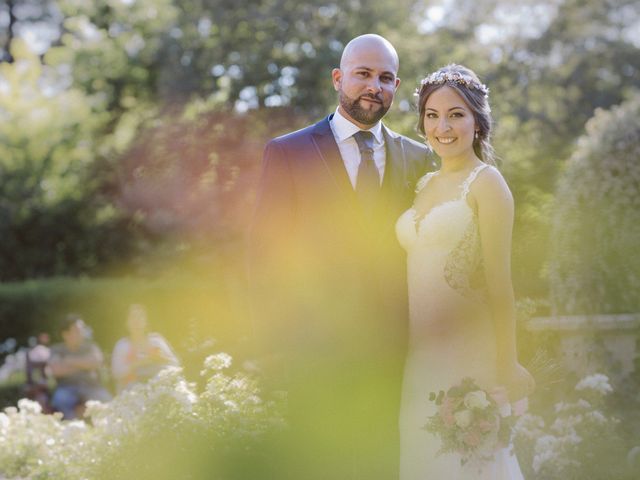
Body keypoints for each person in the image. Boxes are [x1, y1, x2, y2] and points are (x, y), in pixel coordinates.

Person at [249, 34, 434, 479]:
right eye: (363, 74)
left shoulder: (421, 159)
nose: (374, 86)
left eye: (385, 78)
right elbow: (264, 255)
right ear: (338, 78)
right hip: (315, 354)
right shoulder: (288, 152)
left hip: (397, 357)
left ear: (396, 85)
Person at [395, 64, 535, 479]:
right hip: (419, 360)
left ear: (477, 121)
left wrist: (506, 365)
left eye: (456, 114)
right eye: (433, 115)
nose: (444, 126)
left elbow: (500, 286)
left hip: (468, 358)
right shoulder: (422, 185)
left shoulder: (487, 184)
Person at [49, 314, 111, 419]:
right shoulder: (56, 349)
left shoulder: (91, 346)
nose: (82, 333)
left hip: (92, 387)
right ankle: (74, 429)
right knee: (60, 401)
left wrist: (67, 361)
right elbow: (56, 370)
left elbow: (96, 362)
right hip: (66, 389)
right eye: (78, 330)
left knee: (107, 401)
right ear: (65, 334)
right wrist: (84, 365)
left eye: (83, 329)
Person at [111, 304, 179, 393]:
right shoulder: (122, 345)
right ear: (126, 322)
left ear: (146, 321)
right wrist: (139, 363)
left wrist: (161, 358)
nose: (137, 321)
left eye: (140, 317)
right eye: (133, 317)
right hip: (131, 391)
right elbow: (117, 373)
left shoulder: (156, 340)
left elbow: (176, 364)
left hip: (159, 387)